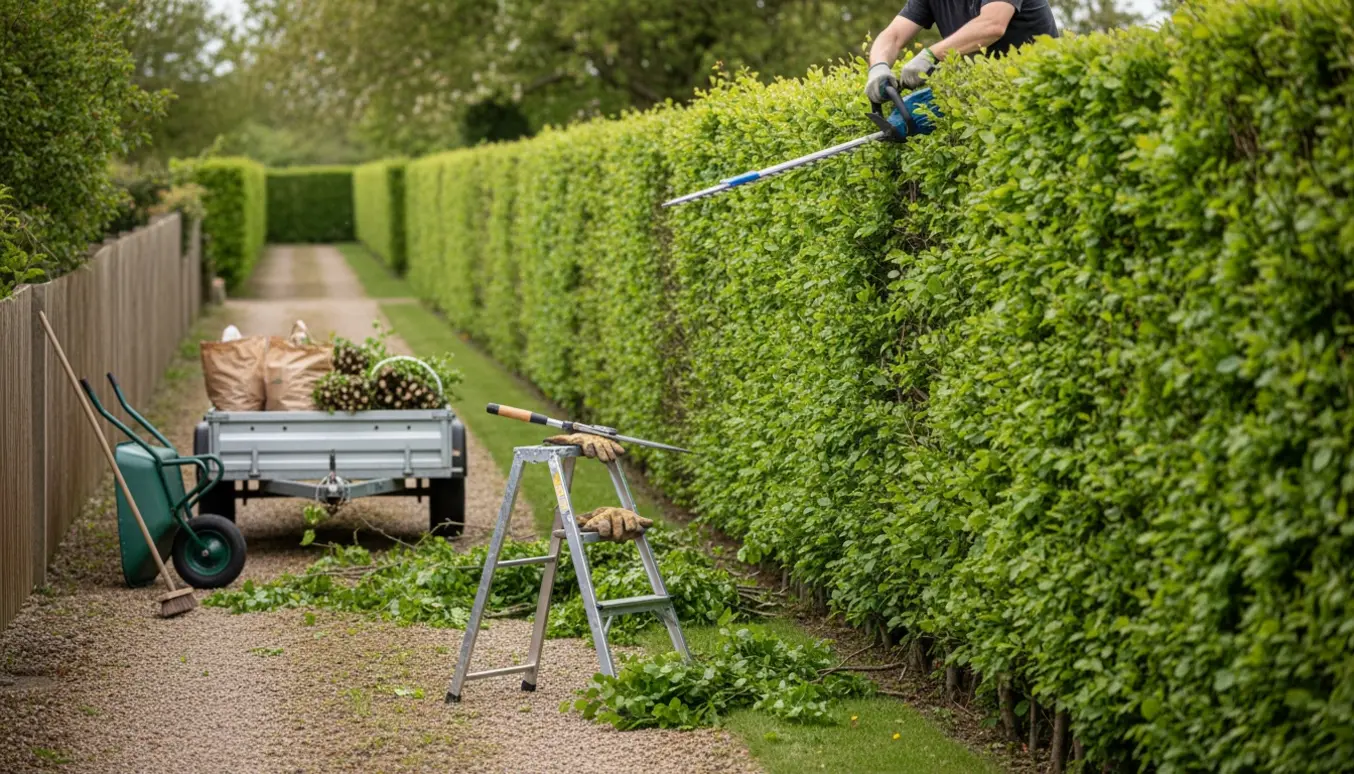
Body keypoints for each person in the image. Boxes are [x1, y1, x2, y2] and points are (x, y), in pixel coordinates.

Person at [865, 0, 1059, 102]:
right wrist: (879, 67)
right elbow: (894, 35)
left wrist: (931, 55)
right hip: (991, 94)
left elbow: (992, 25)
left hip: (1041, 88)